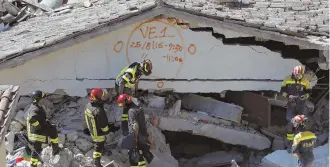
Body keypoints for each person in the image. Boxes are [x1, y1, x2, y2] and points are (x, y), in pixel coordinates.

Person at [115, 59, 153, 136]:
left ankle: (130, 123)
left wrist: (135, 92)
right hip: (121, 87)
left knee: (130, 105)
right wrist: (121, 96)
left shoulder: (138, 70)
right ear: (142, 68)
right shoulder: (131, 72)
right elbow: (122, 82)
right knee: (127, 107)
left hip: (127, 87)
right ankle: (125, 128)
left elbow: (136, 81)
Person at [84, 88, 120, 167]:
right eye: (102, 95)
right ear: (99, 97)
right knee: (99, 144)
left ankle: (102, 151)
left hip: (91, 127)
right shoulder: (99, 111)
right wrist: (109, 130)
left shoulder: (89, 105)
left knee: (101, 141)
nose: (104, 96)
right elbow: (104, 126)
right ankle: (97, 162)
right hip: (97, 132)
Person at [117, 94, 154, 167]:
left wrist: (134, 139)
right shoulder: (139, 108)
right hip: (142, 136)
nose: (123, 106)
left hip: (135, 136)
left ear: (126, 102)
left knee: (133, 158)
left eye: (123, 105)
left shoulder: (131, 111)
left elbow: (135, 125)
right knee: (140, 156)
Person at [280, 65, 311, 151]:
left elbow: (309, 91)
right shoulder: (287, 79)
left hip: (301, 103)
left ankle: (301, 142)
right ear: (293, 73)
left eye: (300, 75)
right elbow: (282, 91)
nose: (298, 77)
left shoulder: (305, 81)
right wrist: (288, 96)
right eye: (297, 75)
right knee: (290, 119)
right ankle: (289, 142)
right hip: (291, 102)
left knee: (301, 121)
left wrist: (305, 95)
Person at [26, 90, 60, 167]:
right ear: (37, 99)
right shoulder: (35, 109)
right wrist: (38, 126)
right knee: (36, 150)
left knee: (53, 130)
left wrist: (45, 122)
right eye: (42, 98)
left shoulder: (36, 106)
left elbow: (38, 118)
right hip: (36, 133)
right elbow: (31, 118)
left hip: (37, 131)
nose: (44, 100)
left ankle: (55, 150)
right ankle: (33, 164)